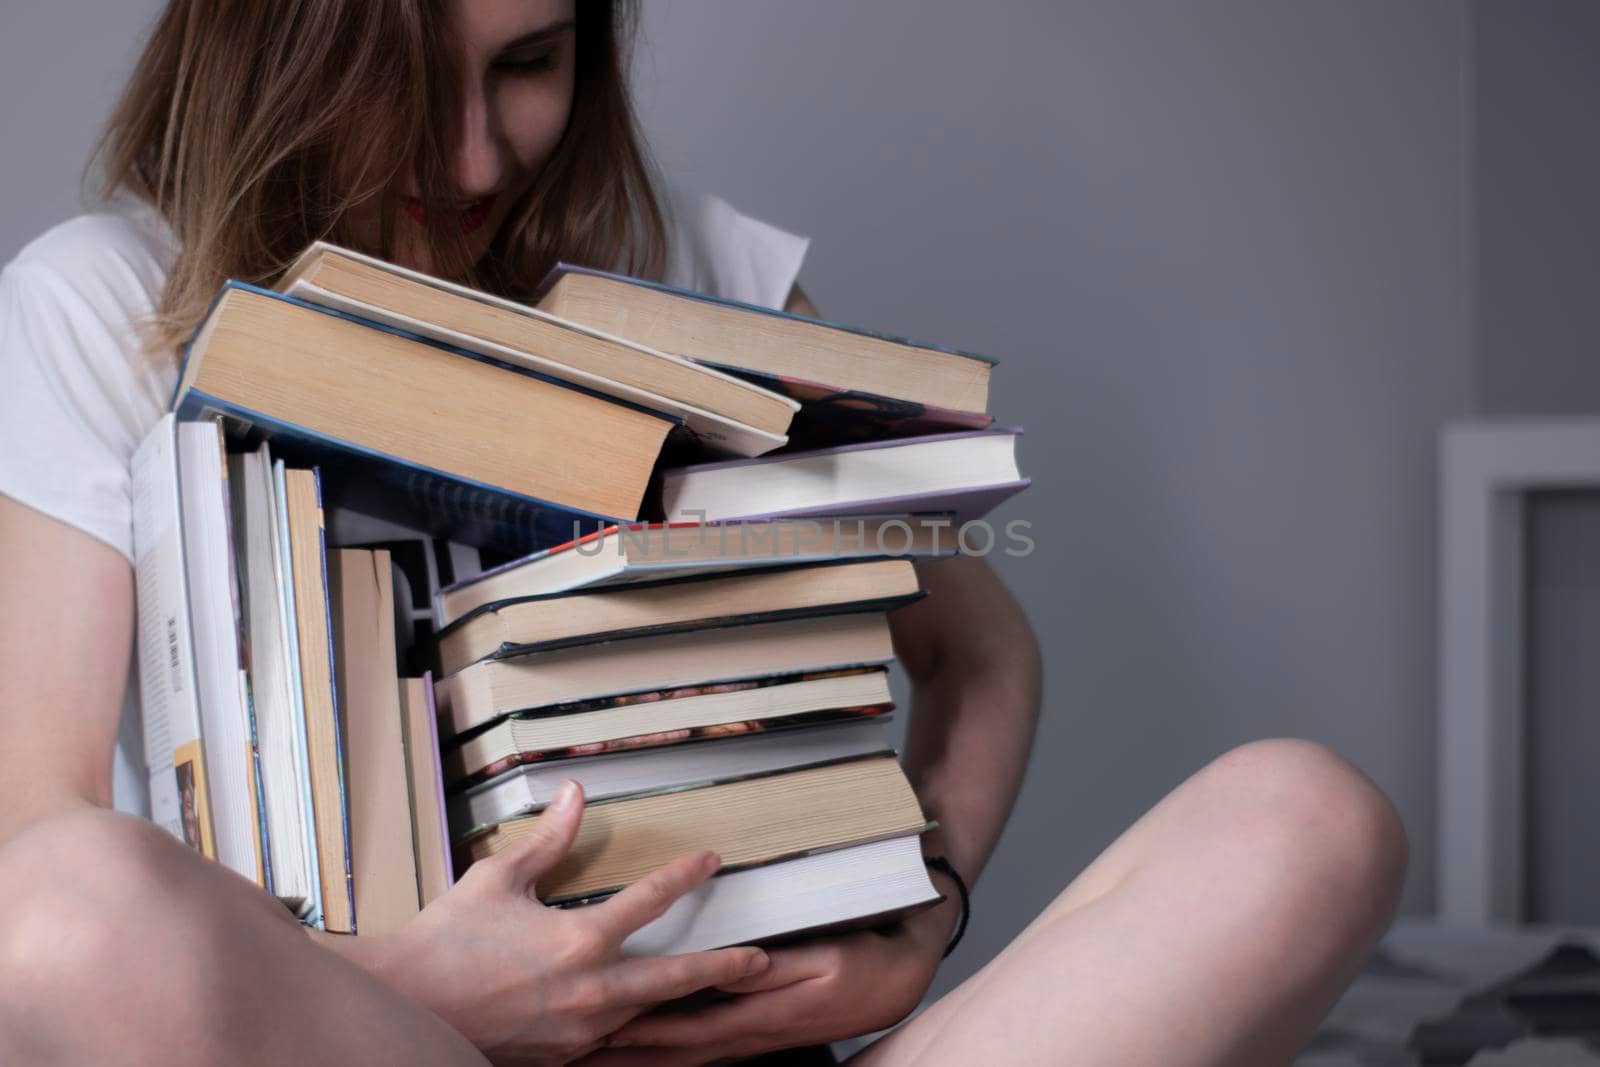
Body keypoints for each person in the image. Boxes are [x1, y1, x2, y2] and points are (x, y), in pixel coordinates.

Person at [0, 2, 1407, 1064]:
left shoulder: (696, 276)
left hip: (729, 1042)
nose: (473, 153)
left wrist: (915, 928)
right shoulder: (98, 304)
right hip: (381, 1050)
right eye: (405, 79)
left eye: (530, 63)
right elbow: (41, 841)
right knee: (61, 905)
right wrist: (413, 996)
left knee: (1311, 820)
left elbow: (984, 658)